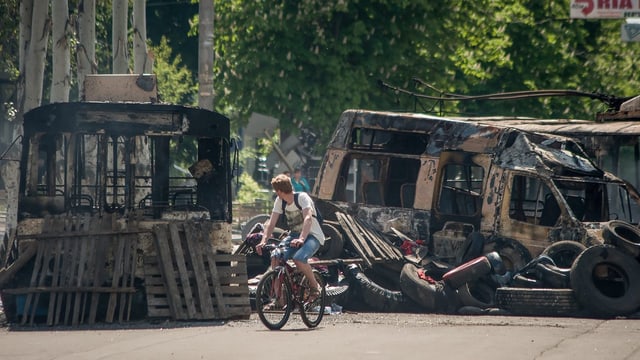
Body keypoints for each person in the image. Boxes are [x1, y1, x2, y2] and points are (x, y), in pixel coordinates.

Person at [256, 173, 325, 301]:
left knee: (299, 258)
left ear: (279, 191)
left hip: (312, 235)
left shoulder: (302, 197)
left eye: (276, 191)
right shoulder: (280, 201)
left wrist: (302, 239)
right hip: (294, 235)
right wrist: (263, 241)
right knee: (276, 256)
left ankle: (314, 286)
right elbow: (271, 223)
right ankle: (279, 299)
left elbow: (308, 219)